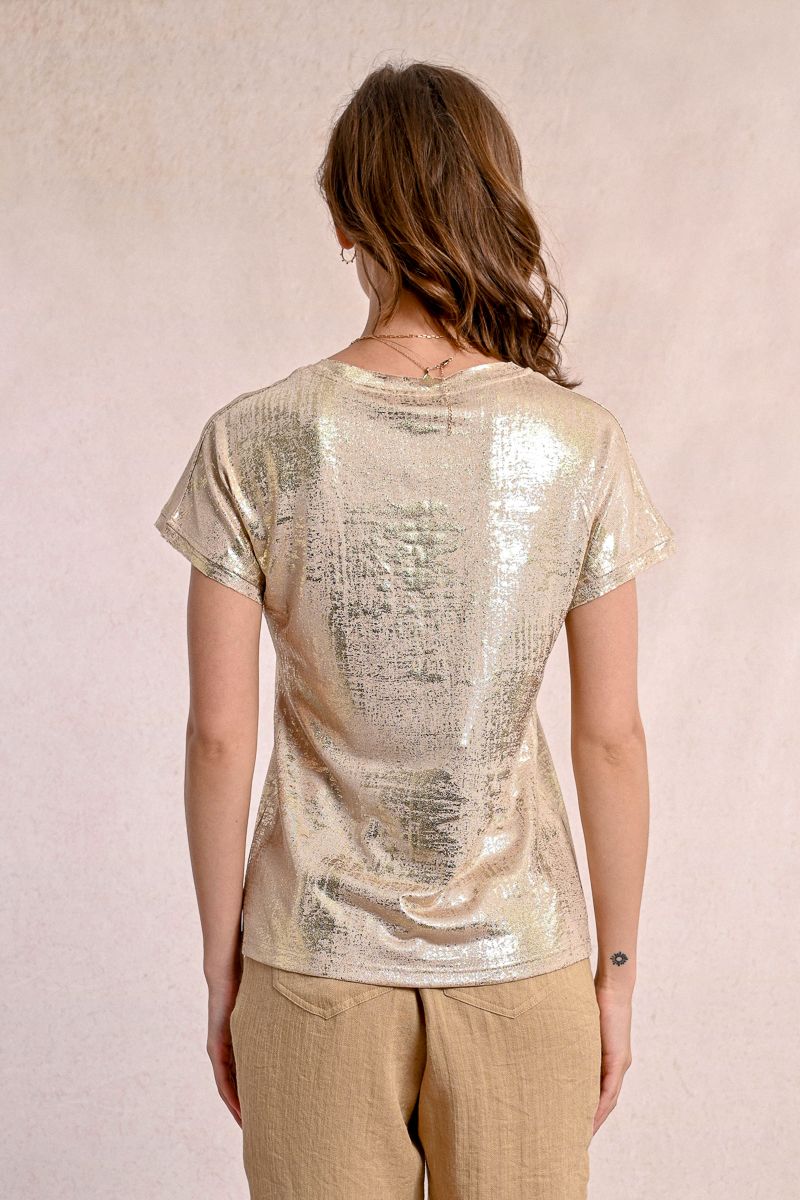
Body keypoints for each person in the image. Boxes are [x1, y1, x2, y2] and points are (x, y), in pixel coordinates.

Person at [154, 59, 677, 1200]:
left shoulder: (254, 438)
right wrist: (617, 976)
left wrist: (220, 966)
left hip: (309, 966)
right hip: (524, 965)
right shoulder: (577, 444)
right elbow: (611, 739)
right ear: (492, 197)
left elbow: (216, 738)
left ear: (344, 220)